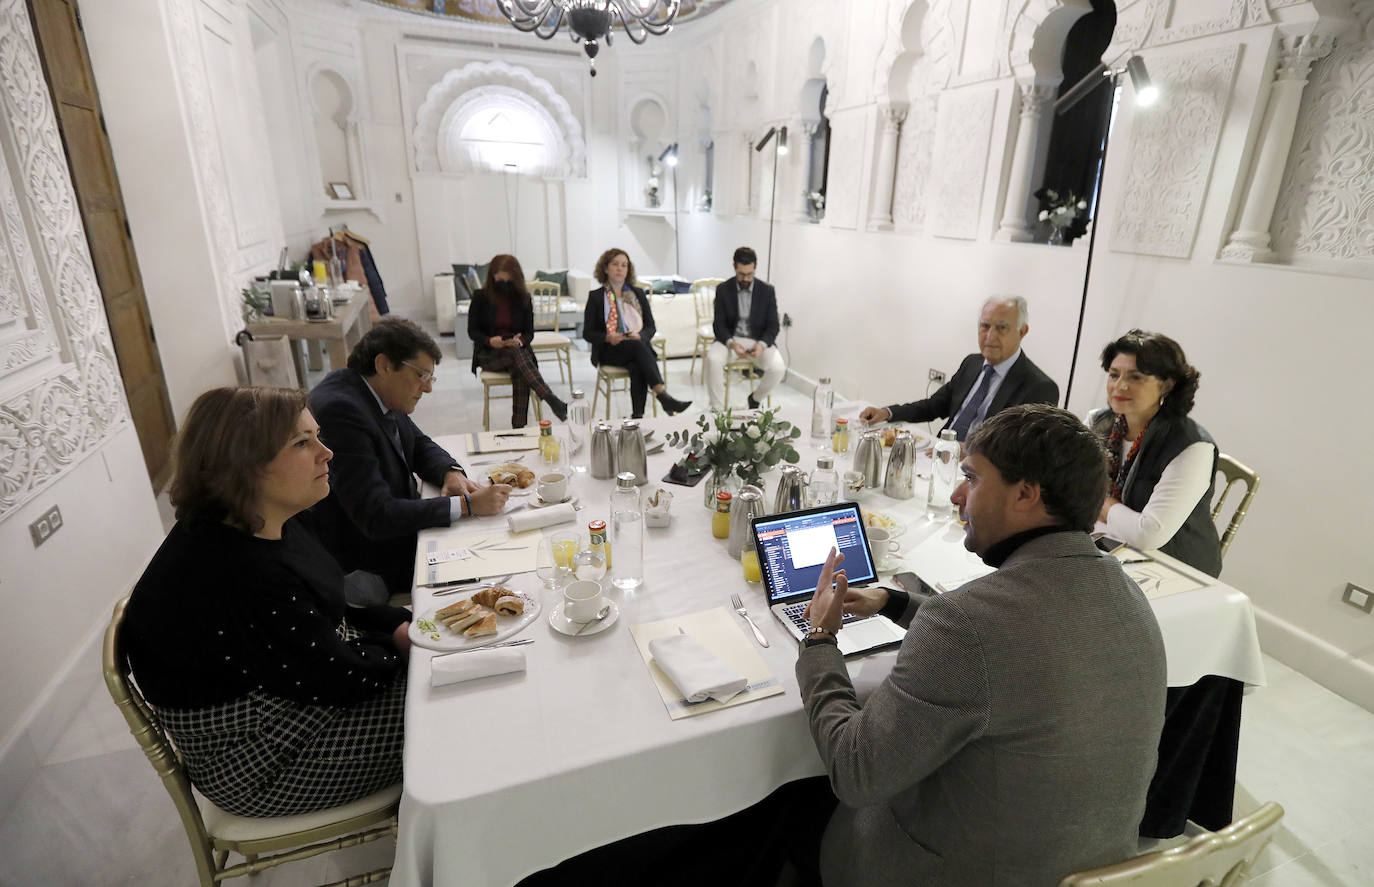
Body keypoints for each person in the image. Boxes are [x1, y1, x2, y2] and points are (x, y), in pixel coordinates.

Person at [796, 404, 1166, 886]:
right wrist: (894, 601)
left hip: (966, 872)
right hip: (1096, 865)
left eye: (971, 478)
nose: (955, 494)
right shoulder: (1125, 592)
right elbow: (1011, 646)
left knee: (792, 806)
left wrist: (820, 639)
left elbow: (856, 772)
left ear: (1026, 495)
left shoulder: (965, 625)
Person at [122, 386, 410, 817]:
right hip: (264, 762)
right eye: (302, 443)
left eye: (318, 436)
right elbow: (340, 678)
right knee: (449, 708)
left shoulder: (260, 520)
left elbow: (330, 611)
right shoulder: (235, 571)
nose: (326, 453)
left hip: (288, 701)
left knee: (448, 675)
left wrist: (398, 624)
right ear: (243, 466)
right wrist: (402, 648)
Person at [310, 318, 510, 598]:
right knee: (497, 570)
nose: (427, 388)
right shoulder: (342, 411)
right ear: (384, 365)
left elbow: (417, 443)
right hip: (377, 559)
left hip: (401, 531)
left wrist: (451, 472)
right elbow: (377, 516)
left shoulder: (373, 390)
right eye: (421, 375)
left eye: (430, 378)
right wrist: (465, 506)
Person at [1089, 329, 1222, 576]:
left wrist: (1101, 503)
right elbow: (1070, 489)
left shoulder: (1192, 446)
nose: (1120, 385)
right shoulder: (1100, 422)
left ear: (1167, 385)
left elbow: (1148, 534)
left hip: (1174, 565)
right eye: (1114, 375)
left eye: (1136, 377)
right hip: (1110, 547)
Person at [859, 296, 1059, 440]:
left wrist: (974, 454)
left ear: (1022, 331)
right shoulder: (972, 363)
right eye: (985, 326)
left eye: (1001, 328)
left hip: (983, 478)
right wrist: (887, 412)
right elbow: (934, 405)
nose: (990, 336)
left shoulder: (1039, 387)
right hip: (940, 455)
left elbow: (1022, 452)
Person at [582, 248, 692, 418]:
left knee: (636, 364)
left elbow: (650, 327)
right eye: (615, 264)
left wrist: (641, 335)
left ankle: (638, 416)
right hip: (609, 349)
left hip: (635, 347)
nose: (620, 269)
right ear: (605, 268)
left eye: (624, 265)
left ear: (628, 270)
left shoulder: (638, 294)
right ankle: (662, 395)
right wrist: (607, 337)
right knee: (638, 349)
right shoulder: (596, 297)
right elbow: (587, 333)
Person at [468, 254, 568, 426]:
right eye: (497, 274)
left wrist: (519, 340)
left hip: (516, 353)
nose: (500, 278)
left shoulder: (523, 298)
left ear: (514, 275)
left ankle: (519, 430)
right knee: (519, 358)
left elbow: (529, 333)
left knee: (519, 368)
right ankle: (550, 399)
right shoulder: (480, 296)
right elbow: (472, 331)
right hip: (490, 353)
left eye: (505, 274)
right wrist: (490, 340)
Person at [705, 246, 786, 410]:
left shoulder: (767, 291)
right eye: (741, 274)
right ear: (734, 267)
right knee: (713, 360)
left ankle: (755, 399)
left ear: (755, 267)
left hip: (757, 340)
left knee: (778, 368)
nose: (746, 279)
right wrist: (731, 344)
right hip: (731, 340)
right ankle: (717, 409)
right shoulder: (723, 289)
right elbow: (718, 325)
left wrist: (762, 344)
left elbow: (773, 325)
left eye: (750, 274)